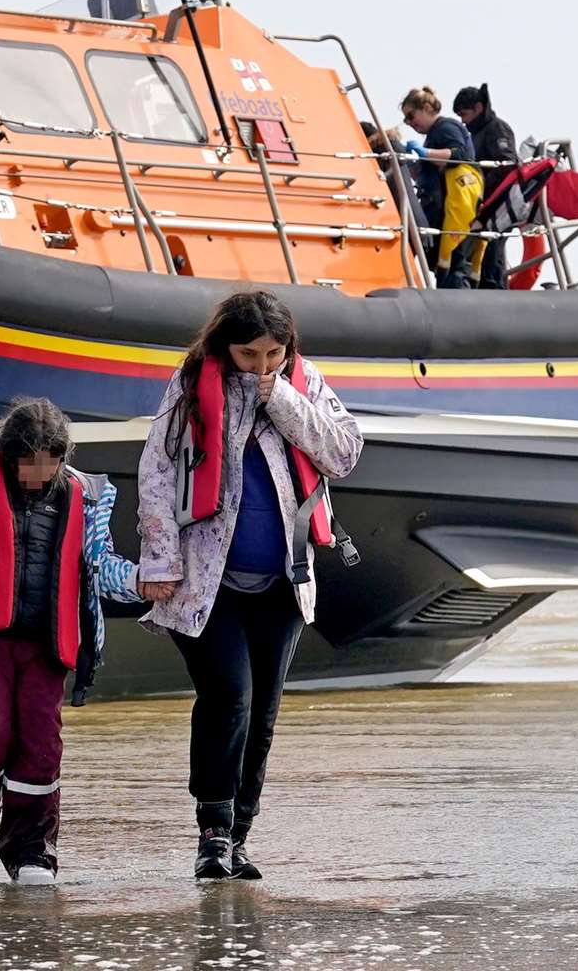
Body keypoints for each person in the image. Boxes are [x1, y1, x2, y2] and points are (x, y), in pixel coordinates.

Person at [136, 291, 363, 881]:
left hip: (285, 580)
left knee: (263, 712)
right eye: (248, 354)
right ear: (223, 346)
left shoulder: (303, 382)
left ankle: (240, 837)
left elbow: (344, 453)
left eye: (273, 353)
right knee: (228, 698)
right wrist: (160, 562)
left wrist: (282, 398)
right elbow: (157, 471)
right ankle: (211, 835)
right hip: (207, 583)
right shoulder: (188, 385)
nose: (261, 366)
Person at [0, 398, 143, 885]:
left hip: (47, 645)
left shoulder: (84, 495)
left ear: (63, 458)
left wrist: (144, 582)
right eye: (29, 463)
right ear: (10, 454)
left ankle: (32, 854)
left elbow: (102, 566)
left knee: (41, 746)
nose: (39, 474)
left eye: (51, 463)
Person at [398, 86, 484, 287]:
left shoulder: (445, 127)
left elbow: (460, 154)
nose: (410, 123)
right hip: (439, 206)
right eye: (406, 120)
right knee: (444, 266)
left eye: (411, 116)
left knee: (454, 268)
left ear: (426, 108)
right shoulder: (434, 133)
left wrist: (425, 153)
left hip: (450, 207)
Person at [453, 84, 519, 288]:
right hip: (483, 206)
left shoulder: (497, 129)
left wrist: (480, 190)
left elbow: (506, 166)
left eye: (464, 114)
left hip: (497, 205)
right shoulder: (475, 134)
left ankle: (494, 290)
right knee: (480, 258)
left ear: (478, 108)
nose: (463, 121)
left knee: (492, 257)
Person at [359, 121, 433, 265]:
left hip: (408, 221)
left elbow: (387, 176)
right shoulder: (392, 147)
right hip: (417, 222)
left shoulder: (382, 151)